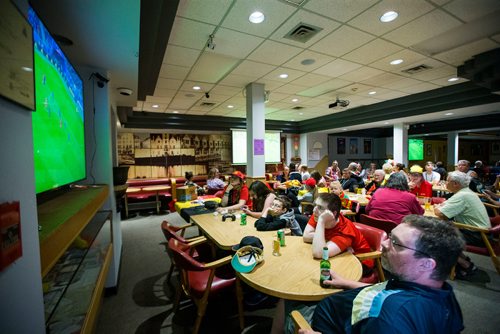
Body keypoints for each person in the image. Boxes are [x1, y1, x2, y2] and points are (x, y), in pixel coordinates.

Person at [299, 215, 465, 334]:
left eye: (396, 243)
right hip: (343, 312)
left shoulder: (391, 318)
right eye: (390, 237)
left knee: (288, 302)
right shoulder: (441, 292)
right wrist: (347, 283)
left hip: (322, 323)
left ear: (426, 264)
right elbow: (387, 292)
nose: (384, 245)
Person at [434, 171, 490, 279]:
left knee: (435, 237)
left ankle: (465, 265)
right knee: (441, 231)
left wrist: (437, 208)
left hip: (477, 235)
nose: (445, 183)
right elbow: (446, 205)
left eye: (447, 181)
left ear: (455, 184)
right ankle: (463, 261)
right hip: (479, 232)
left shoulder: (462, 195)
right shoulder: (466, 192)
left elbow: (441, 214)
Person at [302, 193, 373, 271]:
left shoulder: (344, 231)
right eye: (315, 205)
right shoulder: (318, 214)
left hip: (360, 261)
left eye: (320, 207)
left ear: (333, 213)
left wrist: (321, 222)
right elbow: (306, 236)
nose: (314, 210)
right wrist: (328, 240)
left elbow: (319, 253)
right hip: (342, 255)